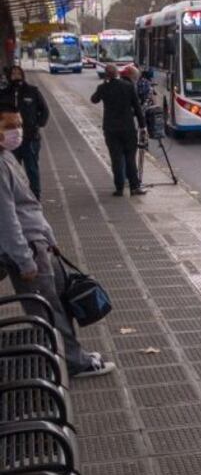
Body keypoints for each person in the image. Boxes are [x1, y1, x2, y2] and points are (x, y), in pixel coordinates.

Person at [0, 103, 115, 377]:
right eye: (8, 126)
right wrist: (25, 260)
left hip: (38, 243)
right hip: (28, 249)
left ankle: (69, 355)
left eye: (18, 124)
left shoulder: (6, 156)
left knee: (61, 300)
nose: (16, 131)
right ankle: (73, 362)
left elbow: (27, 205)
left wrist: (49, 238)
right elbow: (7, 219)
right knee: (48, 309)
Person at [91, 63, 147, 196]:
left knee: (116, 159)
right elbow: (137, 107)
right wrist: (142, 126)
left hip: (111, 129)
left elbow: (94, 100)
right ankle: (134, 187)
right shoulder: (128, 86)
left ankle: (119, 188)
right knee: (130, 158)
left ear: (106, 74)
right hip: (127, 128)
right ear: (117, 73)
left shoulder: (103, 87)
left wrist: (104, 83)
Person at [0, 65, 49, 199]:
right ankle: (16, 196)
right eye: (13, 73)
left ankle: (35, 196)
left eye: (18, 73)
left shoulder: (32, 91)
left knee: (32, 168)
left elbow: (44, 110)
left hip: (29, 137)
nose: (16, 75)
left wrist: (37, 124)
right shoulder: (4, 93)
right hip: (10, 139)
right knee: (12, 170)